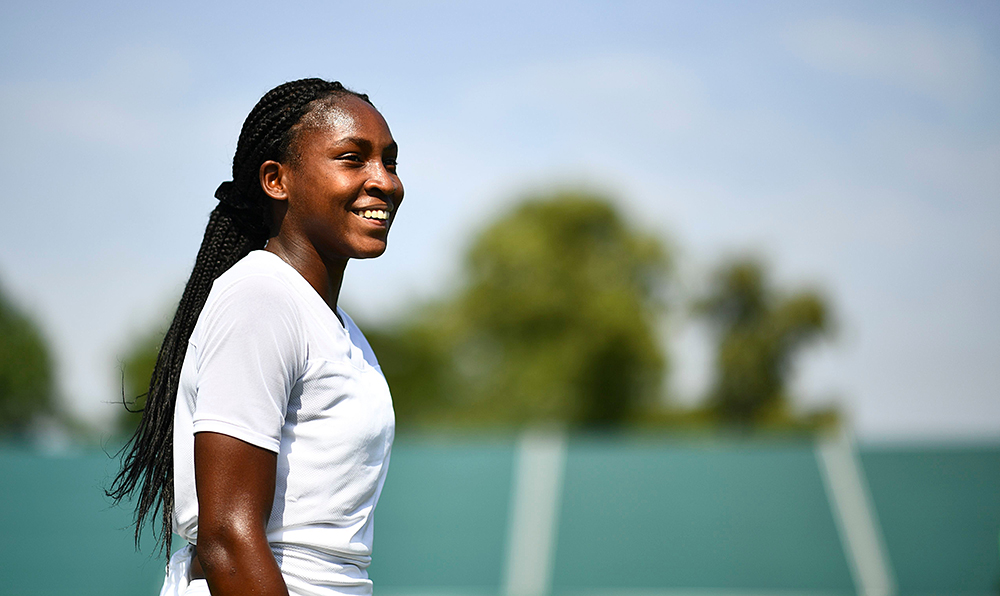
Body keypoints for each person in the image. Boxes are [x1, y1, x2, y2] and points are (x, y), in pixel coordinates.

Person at [108, 78, 403, 596]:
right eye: (352, 159)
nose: (384, 182)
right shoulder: (261, 299)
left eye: (390, 161)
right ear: (276, 179)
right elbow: (228, 540)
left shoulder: (337, 327)